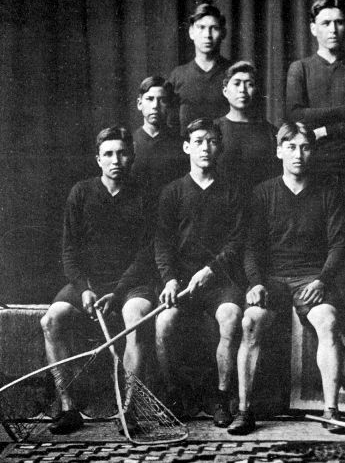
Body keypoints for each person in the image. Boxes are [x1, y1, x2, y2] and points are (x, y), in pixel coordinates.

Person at [155, 119, 271, 434]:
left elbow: (237, 242)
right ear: (186, 147)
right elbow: (162, 243)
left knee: (232, 316)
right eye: (198, 141)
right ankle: (174, 397)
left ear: (218, 146)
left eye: (211, 141)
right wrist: (169, 279)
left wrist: (210, 270)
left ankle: (220, 398)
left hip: (220, 280)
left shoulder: (234, 190)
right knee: (164, 324)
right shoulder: (173, 192)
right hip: (181, 283)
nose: (205, 148)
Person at [40, 127, 156, 434]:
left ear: (132, 156)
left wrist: (118, 294)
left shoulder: (145, 194)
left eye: (122, 152)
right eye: (108, 154)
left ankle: (128, 410)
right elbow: (69, 251)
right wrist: (84, 289)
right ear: (98, 159)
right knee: (51, 320)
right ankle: (68, 408)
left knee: (136, 316)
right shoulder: (81, 192)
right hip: (89, 284)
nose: (116, 159)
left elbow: (146, 254)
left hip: (131, 284)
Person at [244, 122, 345, 433]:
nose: (298, 154)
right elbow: (251, 247)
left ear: (312, 151)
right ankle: (244, 409)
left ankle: (332, 410)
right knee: (250, 322)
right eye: (290, 147)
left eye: (304, 147)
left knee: (328, 321)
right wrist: (256, 282)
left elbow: (339, 244)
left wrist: (323, 280)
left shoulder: (328, 192)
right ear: (279, 151)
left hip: (312, 278)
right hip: (273, 279)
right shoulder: (262, 193)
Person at [285, 0, 345, 187]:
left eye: (339, 22)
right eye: (326, 23)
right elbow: (295, 114)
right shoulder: (300, 68)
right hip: (313, 163)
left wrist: (324, 131)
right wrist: (344, 111)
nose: (333, 29)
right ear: (313, 28)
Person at [168, 3, 232, 136]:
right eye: (201, 27)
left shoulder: (233, 74)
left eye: (214, 28)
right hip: (186, 154)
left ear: (223, 33)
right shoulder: (178, 75)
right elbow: (170, 125)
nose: (207, 35)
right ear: (191, 32)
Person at [216, 61, 280, 190]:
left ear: (256, 91)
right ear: (225, 91)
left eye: (249, 84)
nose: (242, 90)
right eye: (237, 83)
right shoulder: (213, 129)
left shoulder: (271, 132)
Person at [130, 76, 188, 202]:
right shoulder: (128, 143)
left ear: (169, 105)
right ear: (139, 104)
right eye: (150, 99)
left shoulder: (181, 145)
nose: (155, 106)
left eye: (162, 100)